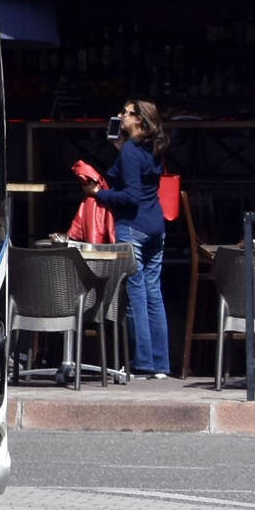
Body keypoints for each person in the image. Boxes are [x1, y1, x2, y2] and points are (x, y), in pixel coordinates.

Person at [92, 99, 173, 379]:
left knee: (136, 294)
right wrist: (118, 147)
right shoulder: (152, 149)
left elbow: (130, 195)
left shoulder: (130, 152)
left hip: (133, 226)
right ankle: (160, 364)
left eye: (126, 113)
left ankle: (143, 362)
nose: (120, 116)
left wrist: (97, 195)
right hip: (155, 226)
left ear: (140, 120)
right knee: (154, 293)